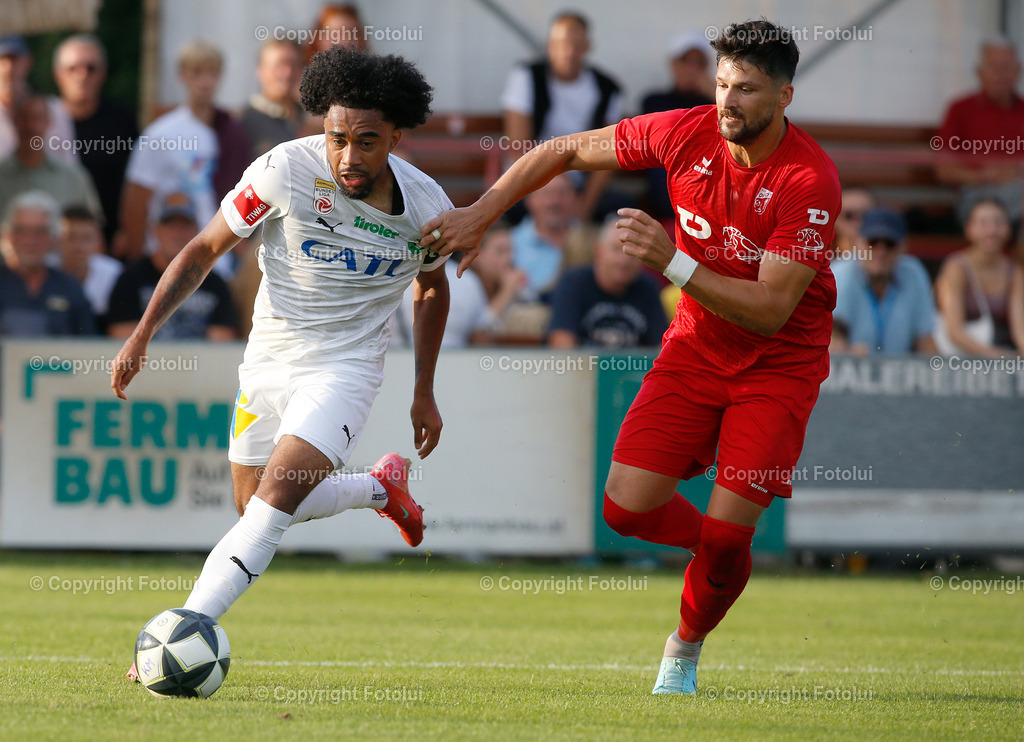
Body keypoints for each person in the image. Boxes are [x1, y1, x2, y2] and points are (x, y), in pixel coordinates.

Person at [423, 19, 841, 696]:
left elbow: (769, 310)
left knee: (733, 537)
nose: (728, 101)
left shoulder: (808, 180)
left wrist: (672, 261)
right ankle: (721, 552)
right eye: (723, 83)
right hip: (698, 347)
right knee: (626, 510)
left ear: (785, 97)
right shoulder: (685, 130)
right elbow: (562, 150)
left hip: (777, 367)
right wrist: (485, 209)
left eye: (748, 90)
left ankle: (683, 647)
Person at [114, 47, 448, 680]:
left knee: (270, 508)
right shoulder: (283, 171)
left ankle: (183, 632)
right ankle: (380, 487)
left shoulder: (426, 208)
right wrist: (142, 333)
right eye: (337, 138)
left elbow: (431, 288)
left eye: (368, 142)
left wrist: (423, 390)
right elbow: (205, 247)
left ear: (397, 138)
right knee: (252, 507)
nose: (349, 156)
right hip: (266, 357)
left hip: (346, 366)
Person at [114, 40, 249, 273]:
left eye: (212, 73)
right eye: (197, 73)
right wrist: (139, 262)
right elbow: (136, 202)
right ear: (183, 76)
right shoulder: (161, 134)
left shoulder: (230, 132)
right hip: (166, 259)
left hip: (218, 260)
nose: (205, 82)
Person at [501, 12, 624, 222]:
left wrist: (585, 205)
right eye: (562, 43)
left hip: (580, 185)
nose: (569, 51)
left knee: (623, 208)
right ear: (549, 45)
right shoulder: (526, 77)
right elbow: (517, 146)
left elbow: (609, 152)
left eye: (576, 44)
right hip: (528, 179)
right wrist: (541, 194)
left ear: (587, 47)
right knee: (509, 211)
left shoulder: (607, 88)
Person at [106, 192, 237, 340]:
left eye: (185, 225)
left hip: (200, 361)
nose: (177, 233)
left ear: (197, 230)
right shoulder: (130, 280)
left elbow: (222, 344)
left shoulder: (215, 284)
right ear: (155, 229)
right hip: (151, 363)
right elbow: (121, 340)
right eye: (170, 224)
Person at [52, 34, 138, 244]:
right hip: (52, 237)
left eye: (90, 68)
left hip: (110, 238)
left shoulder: (121, 119)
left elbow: (135, 179)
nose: (82, 75)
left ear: (103, 74)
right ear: (58, 74)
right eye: (73, 68)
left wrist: (127, 229)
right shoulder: (44, 120)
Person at [936, 39, 1024, 228]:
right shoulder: (960, 109)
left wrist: (1017, 171)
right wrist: (986, 176)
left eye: (1007, 67)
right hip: (977, 196)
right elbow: (944, 170)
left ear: (1018, 71)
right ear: (979, 71)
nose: (1001, 75)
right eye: (994, 67)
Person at [830, 207, 938, 355]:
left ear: (903, 246)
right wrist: (848, 353)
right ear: (858, 242)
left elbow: (925, 339)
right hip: (850, 372)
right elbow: (830, 341)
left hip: (900, 373)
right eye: (873, 242)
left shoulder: (913, 273)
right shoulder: (840, 273)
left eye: (889, 244)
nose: (881, 252)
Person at [548, 218, 668, 347]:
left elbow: (660, 348)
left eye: (632, 253)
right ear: (598, 251)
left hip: (636, 367)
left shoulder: (647, 287)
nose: (624, 261)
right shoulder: (574, 283)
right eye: (616, 249)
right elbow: (561, 345)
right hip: (585, 366)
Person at [934, 198, 1024, 355]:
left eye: (998, 223)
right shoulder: (956, 267)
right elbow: (954, 332)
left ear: (1008, 228)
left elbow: (1020, 330)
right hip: (959, 359)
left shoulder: (1015, 271)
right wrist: (998, 356)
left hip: (998, 356)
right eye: (983, 224)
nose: (992, 231)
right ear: (968, 229)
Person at [641, 32, 716, 220]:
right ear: (673, 64)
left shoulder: (717, 107)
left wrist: (717, 93)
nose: (692, 69)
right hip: (665, 203)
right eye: (686, 61)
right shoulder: (654, 102)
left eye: (699, 63)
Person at [0, 190, 95, 336]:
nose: (30, 240)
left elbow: (89, 344)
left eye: (40, 232)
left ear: (54, 238)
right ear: (8, 236)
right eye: (21, 230)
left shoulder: (69, 287)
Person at [0, 94, 102, 219]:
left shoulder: (74, 178)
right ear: (14, 121)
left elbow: (91, 226)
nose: (31, 127)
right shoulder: (2, 175)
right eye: (25, 118)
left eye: (38, 118)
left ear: (49, 123)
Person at [510, 173, 590, 300]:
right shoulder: (509, 243)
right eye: (546, 193)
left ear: (576, 198)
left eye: (562, 193)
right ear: (529, 200)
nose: (554, 202)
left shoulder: (594, 241)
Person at [0, 35, 76, 164]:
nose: (8, 68)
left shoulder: (55, 110)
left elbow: (69, 167)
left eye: (14, 59)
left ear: (28, 61)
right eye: (2, 60)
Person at [56, 205, 122, 330]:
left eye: (86, 238)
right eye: (71, 237)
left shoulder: (114, 273)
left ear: (99, 242)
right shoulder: (43, 270)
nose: (78, 246)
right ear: (57, 240)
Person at [240, 39, 305, 159]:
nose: (287, 73)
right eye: (279, 65)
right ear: (261, 70)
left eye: (294, 65)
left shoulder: (312, 119)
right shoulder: (242, 123)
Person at [832, 187, 875, 262]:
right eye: (849, 215)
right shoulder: (817, 253)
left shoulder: (890, 254)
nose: (858, 223)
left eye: (866, 216)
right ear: (835, 218)